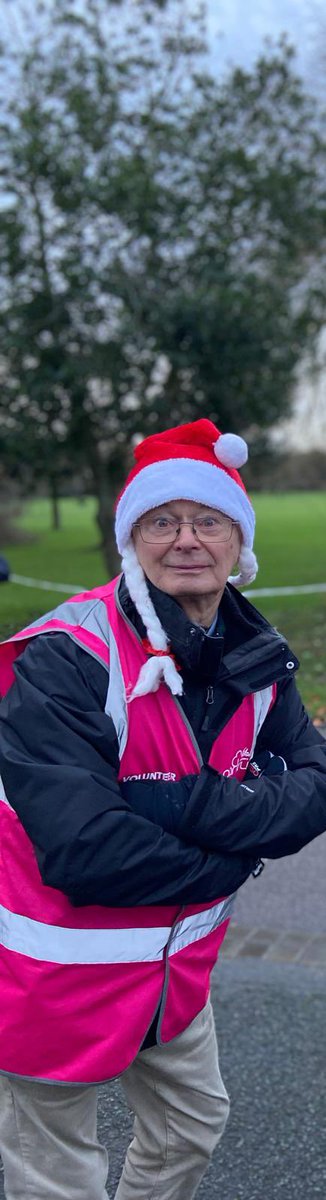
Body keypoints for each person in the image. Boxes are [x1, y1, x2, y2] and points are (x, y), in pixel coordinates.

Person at [0, 417, 325, 1200]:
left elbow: (313, 783)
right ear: (131, 537)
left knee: (192, 1127)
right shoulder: (67, 654)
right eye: (161, 521)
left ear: (237, 541)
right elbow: (85, 849)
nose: (186, 539)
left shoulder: (258, 654)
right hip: (50, 982)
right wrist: (242, 849)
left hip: (173, 976)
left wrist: (177, 803)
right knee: (59, 1179)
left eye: (208, 519)